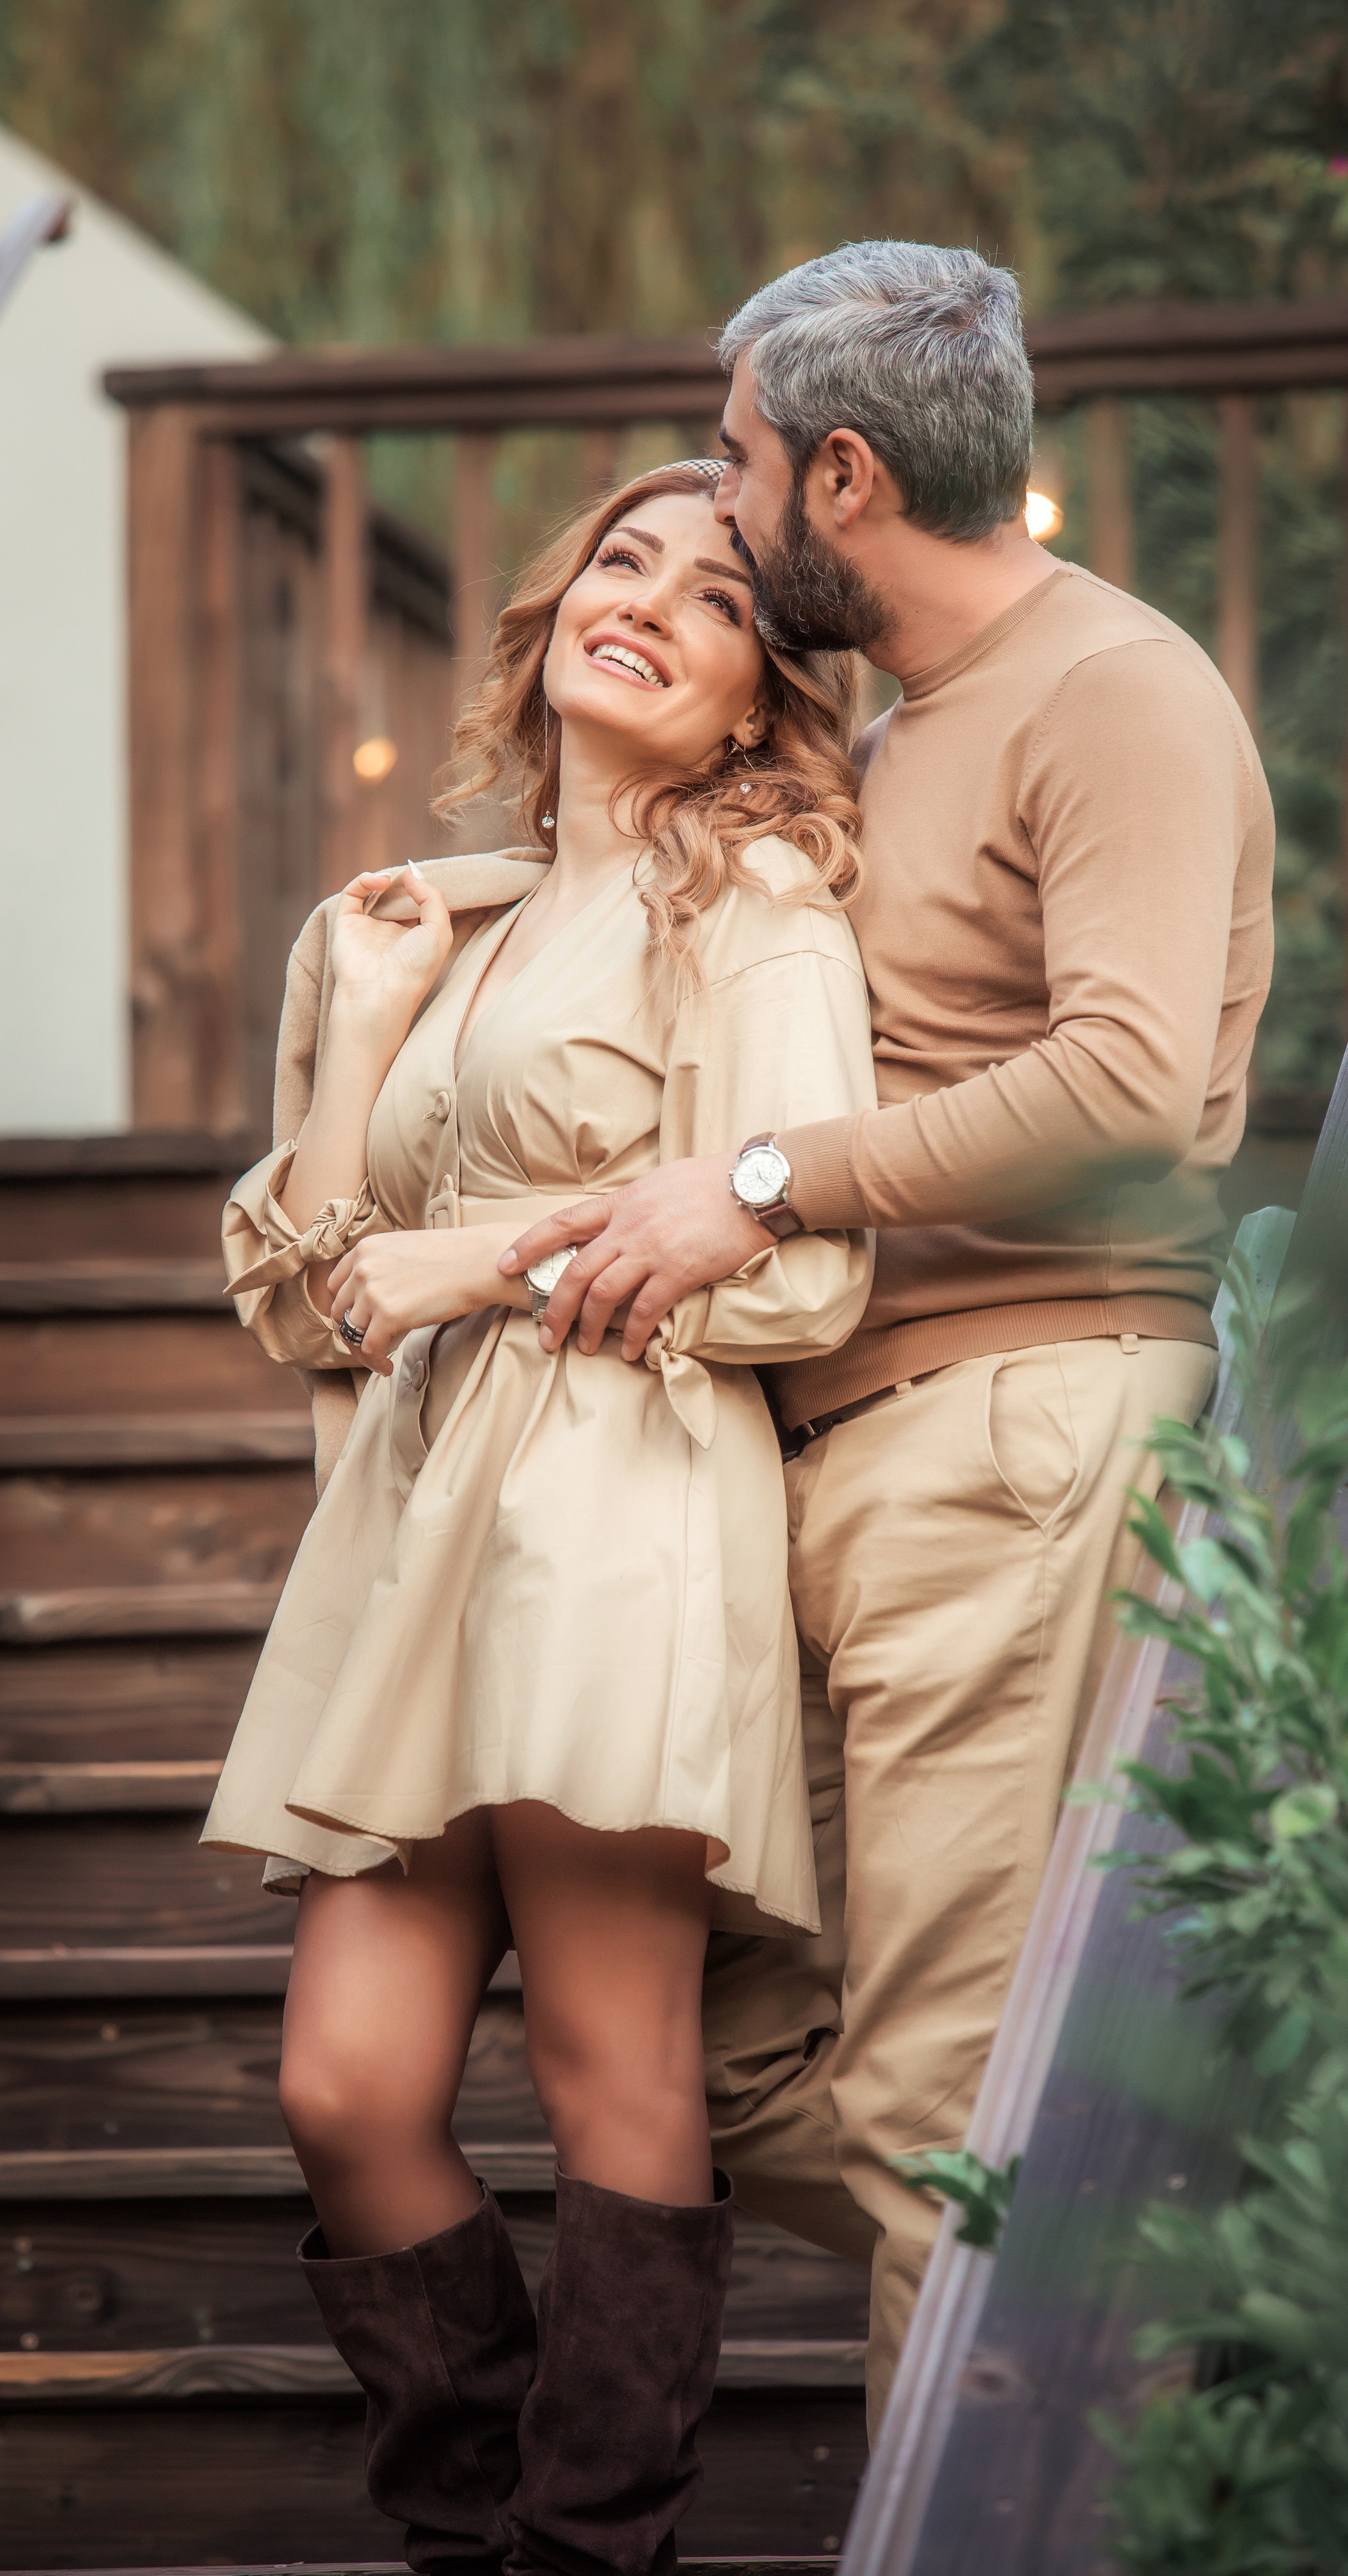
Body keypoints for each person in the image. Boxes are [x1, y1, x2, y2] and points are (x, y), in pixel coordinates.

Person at [501, 241, 1277, 2424]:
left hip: (1018, 1428)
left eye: (739, 466)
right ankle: (1162, 2282)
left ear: (841, 475)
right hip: (842, 1453)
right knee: (733, 2054)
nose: (719, 508)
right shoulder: (921, 725)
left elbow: (1137, 1086)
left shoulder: (1109, 689)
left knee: (940, 2099)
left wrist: (757, 1183)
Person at [200, 459, 877, 2575]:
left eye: (718, 597)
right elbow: (305, 1295)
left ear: (767, 694)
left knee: (611, 2074)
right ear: (553, 605)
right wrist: (368, 1041)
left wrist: (481, 1261)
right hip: (418, 1537)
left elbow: (803, 1259)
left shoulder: (754, 903)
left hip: (620, 1506)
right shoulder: (427, 923)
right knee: (349, 2091)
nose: (652, 606)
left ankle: (593, 2554)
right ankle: (488, 2538)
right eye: (622, 562)